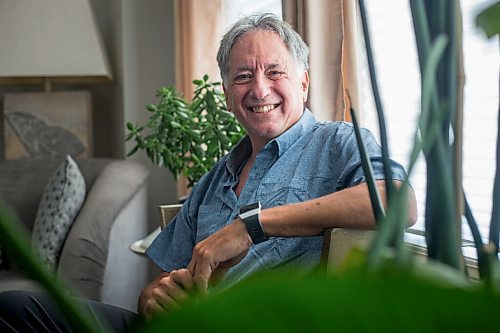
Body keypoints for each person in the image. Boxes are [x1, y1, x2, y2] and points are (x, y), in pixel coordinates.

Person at [0, 12, 417, 332]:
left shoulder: (336, 142)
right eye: (242, 77)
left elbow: (398, 202)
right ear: (227, 95)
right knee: (15, 308)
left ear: (304, 82)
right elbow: (164, 281)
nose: (259, 89)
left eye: (275, 72)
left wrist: (252, 226)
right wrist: (154, 297)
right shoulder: (218, 174)